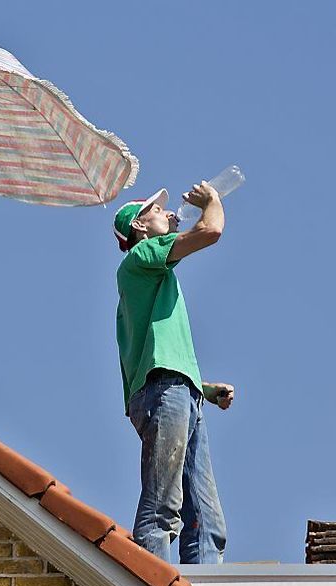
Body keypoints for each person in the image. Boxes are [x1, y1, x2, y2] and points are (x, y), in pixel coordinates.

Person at [113, 182, 234, 564]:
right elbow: (209, 231)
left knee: (207, 520)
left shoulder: (152, 277)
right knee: (163, 508)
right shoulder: (141, 256)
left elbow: (159, 354)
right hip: (166, 392)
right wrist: (212, 201)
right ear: (139, 228)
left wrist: (206, 390)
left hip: (178, 391)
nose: (167, 213)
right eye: (155, 211)